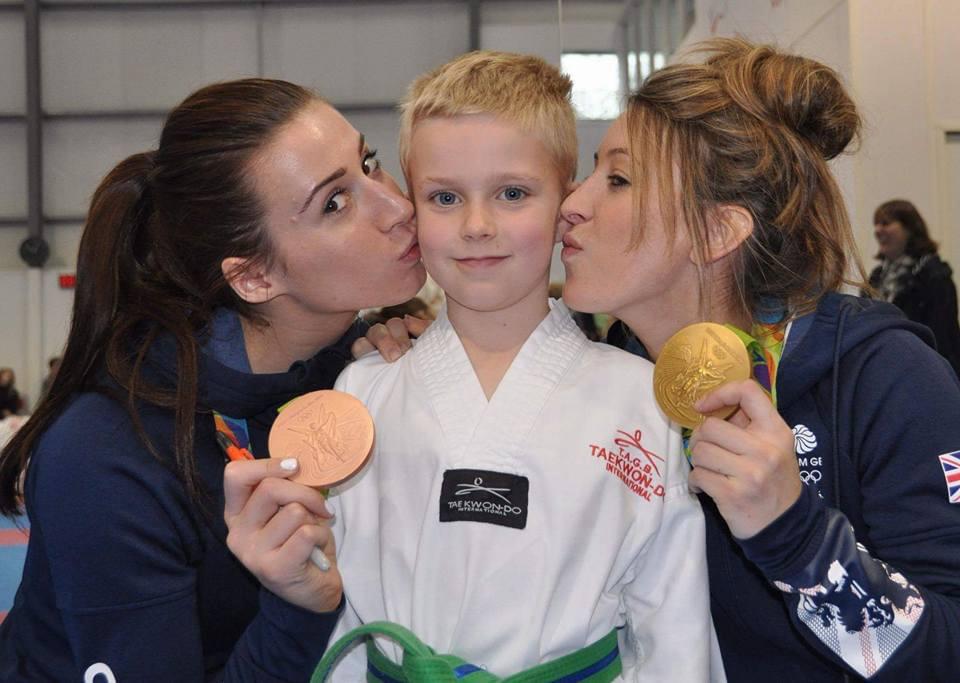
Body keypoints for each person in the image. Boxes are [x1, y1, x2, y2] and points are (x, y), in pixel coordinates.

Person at [559, 38, 960, 681]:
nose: (572, 202)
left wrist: (795, 536)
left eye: (618, 179)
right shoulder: (613, 372)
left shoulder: (886, 380)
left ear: (718, 231)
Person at [0, 77, 425, 682]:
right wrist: (296, 607)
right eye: (335, 203)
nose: (398, 205)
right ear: (253, 278)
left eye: (368, 163)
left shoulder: (353, 370)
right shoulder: (105, 458)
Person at [318, 50, 718, 681]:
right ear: (413, 210)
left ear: (565, 201)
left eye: (512, 193)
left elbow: (673, 621)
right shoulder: (363, 391)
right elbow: (338, 617)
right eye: (445, 197)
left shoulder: (644, 397)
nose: (478, 226)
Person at [867, 199, 960, 375]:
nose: (878, 230)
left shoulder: (933, 274)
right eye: (876, 224)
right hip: (884, 371)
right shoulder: (876, 277)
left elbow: (943, 336)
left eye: (885, 223)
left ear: (909, 228)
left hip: (925, 373)